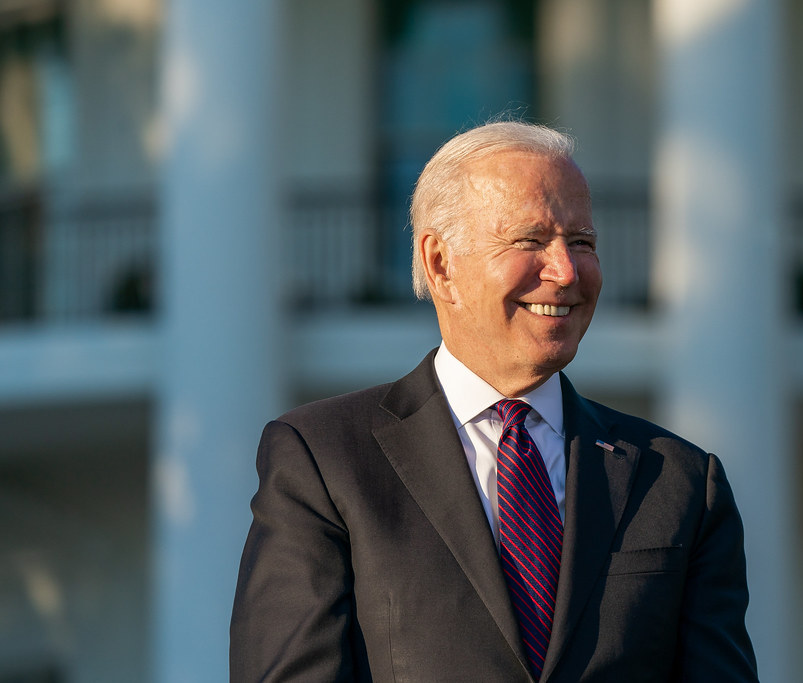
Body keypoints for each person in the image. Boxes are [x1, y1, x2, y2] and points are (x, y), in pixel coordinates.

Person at [230, 121, 758, 682]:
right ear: (440, 264)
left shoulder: (678, 482)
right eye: (530, 241)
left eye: (582, 242)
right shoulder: (324, 460)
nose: (566, 271)